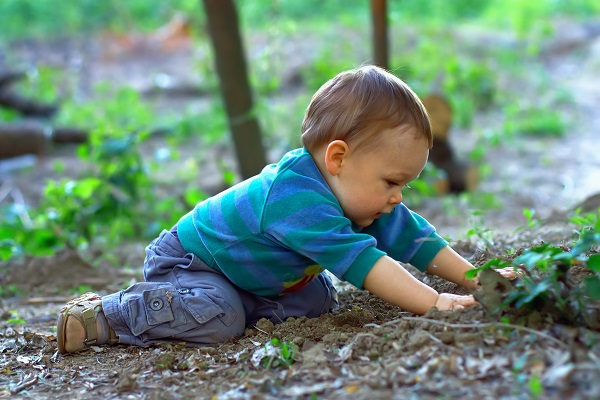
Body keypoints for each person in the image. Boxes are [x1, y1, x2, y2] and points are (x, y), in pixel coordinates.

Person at [57, 65, 510, 354]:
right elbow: (367, 263)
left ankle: (243, 301)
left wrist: (474, 280)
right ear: (338, 158)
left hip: (255, 273)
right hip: (193, 262)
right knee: (221, 318)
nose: (398, 197)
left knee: (320, 301)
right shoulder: (297, 198)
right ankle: (108, 315)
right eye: (392, 182)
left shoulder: (356, 189)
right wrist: (433, 302)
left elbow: (414, 237)